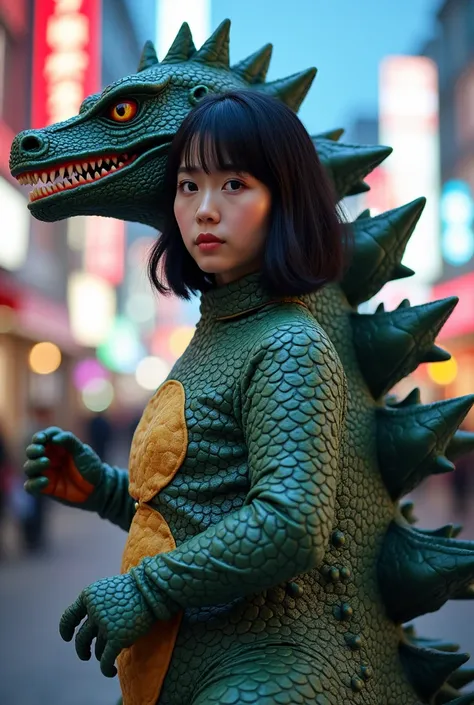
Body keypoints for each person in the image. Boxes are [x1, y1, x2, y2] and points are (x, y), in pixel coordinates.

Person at [23, 91, 349, 705]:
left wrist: (146, 590)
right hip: (175, 668)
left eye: (234, 185)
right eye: (188, 185)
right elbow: (200, 511)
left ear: (285, 200)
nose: (203, 210)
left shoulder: (288, 344)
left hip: (256, 671)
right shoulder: (214, 332)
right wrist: (105, 491)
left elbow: (289, 523)